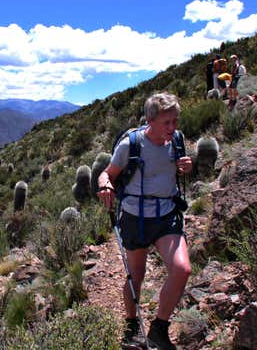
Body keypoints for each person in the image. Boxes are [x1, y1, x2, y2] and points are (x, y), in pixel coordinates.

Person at [97, 92, 193, 350]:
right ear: (150, 121)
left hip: (166, 215)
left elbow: (178, 170)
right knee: (136, 275)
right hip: (136, 217)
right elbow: (108, 173)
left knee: (182, 269)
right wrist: (106, 186)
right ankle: (131, 327)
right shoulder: (131, 145)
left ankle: (158, 329)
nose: (172, 128)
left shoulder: (177, 141)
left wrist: (186, 168)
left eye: (175, 121)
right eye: (167, 123)